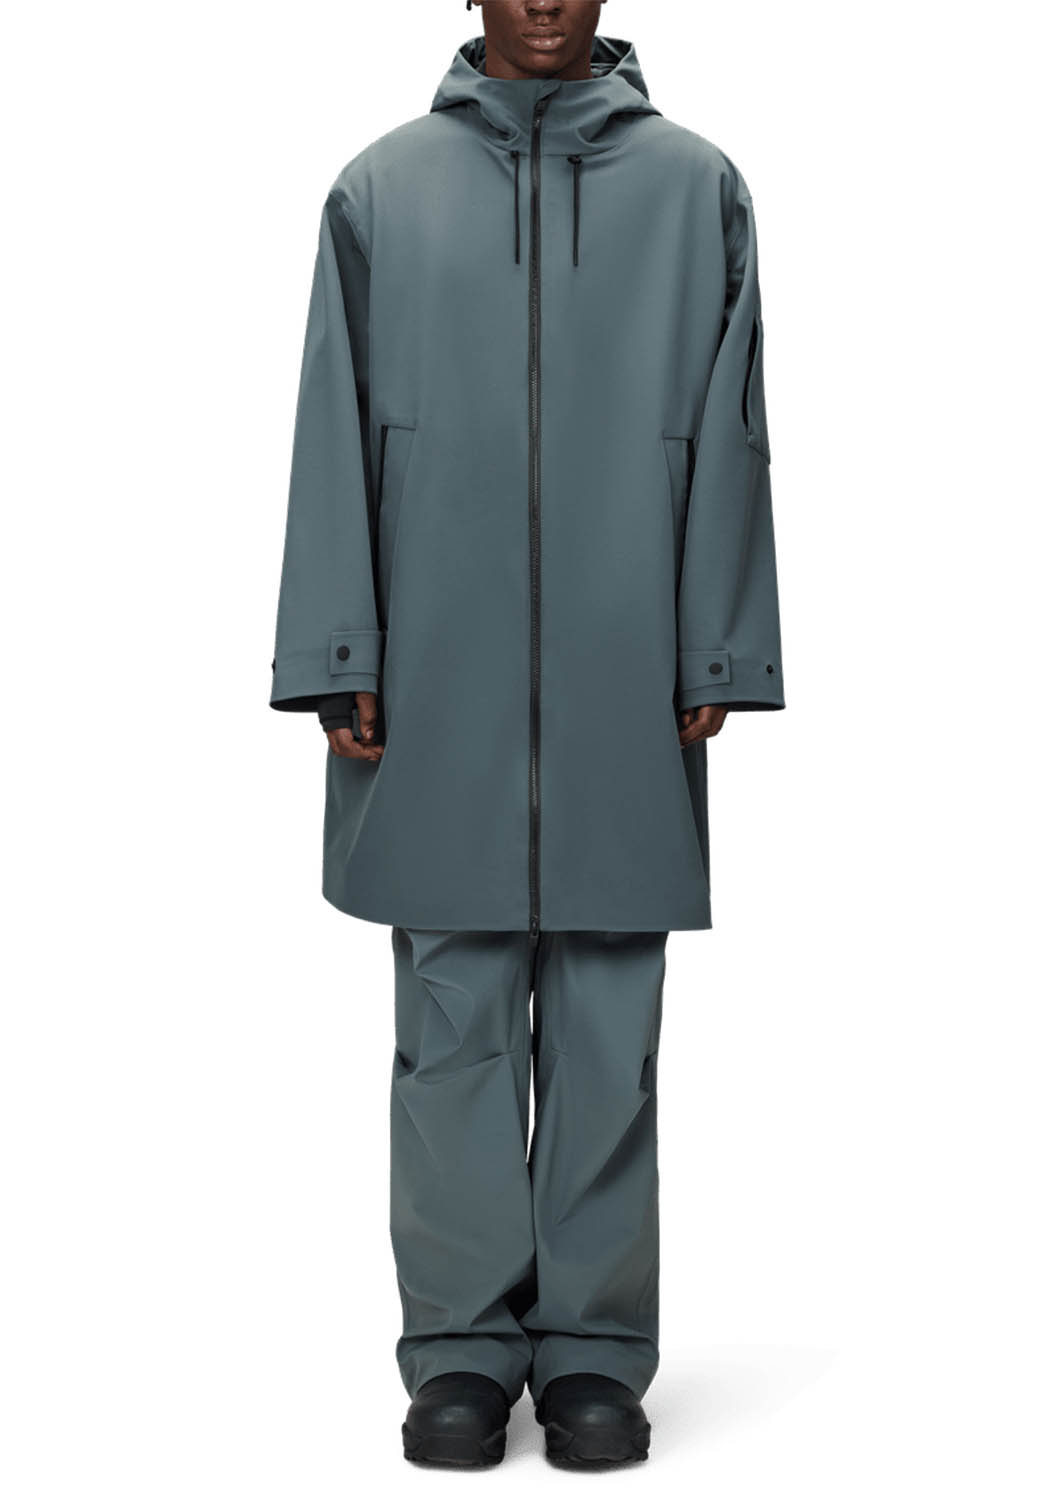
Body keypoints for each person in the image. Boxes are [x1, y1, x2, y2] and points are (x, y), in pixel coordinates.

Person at [269, 0, 784, 1470]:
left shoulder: (696, 188)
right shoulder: (379, 190)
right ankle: (459, 1351)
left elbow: (735, 425)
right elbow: (328, 424)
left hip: (628, 673)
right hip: (437, 675)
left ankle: (596, 1355)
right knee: (453, 1029)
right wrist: (339, 647)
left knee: (611, 1027)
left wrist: (718, 642)